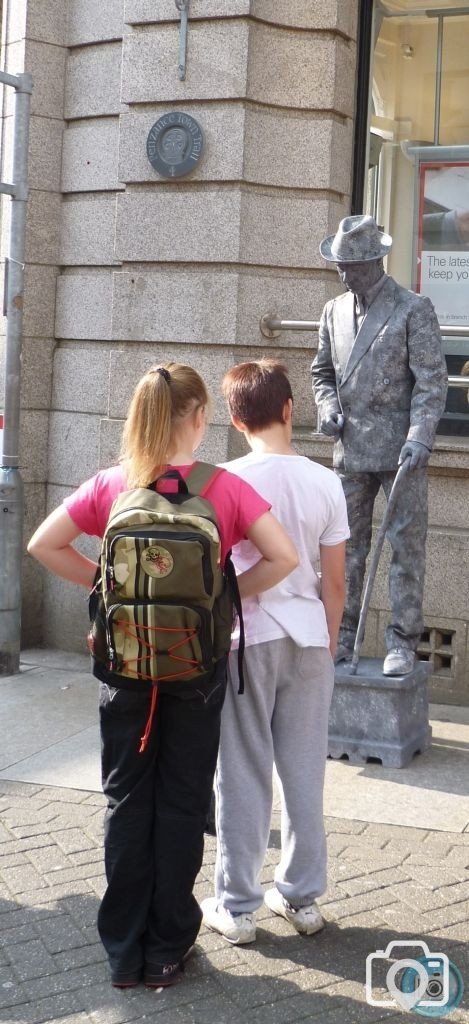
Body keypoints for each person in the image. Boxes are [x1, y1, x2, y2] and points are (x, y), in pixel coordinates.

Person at [27, 363, 298, 989]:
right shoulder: (225, 490)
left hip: (125, 669)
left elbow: (44, 544)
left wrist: (105, 590)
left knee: (126, 801)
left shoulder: (112, 484)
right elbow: (283, 557)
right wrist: (219, 604)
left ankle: (123, 950)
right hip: (197, 668)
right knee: (181, 803)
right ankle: (167, 950)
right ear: (200, 418)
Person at [201, 360, 348, 944]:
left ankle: (237, 907)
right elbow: (335, 581)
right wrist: (329, 639)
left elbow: (216, 570)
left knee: (240, 773)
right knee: (304, 771)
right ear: (291, 410)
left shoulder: (223, 482)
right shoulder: (325, 482)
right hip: (310, 637)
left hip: (246, 641)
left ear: (237, 420)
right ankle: (303, 898)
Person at [312, 214, 448, 676]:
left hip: (401, 455)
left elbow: (432, 381)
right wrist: (327, 407)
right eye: (339, 265)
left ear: (372, 263)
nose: (341, 273)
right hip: (350, 451)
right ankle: (343, 634)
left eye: (348, 265)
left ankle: (402, 642)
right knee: (346, 549)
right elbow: (322, 373)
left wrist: (419, 438)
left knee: (405, 548)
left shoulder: (413, 308)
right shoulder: (332, 311)